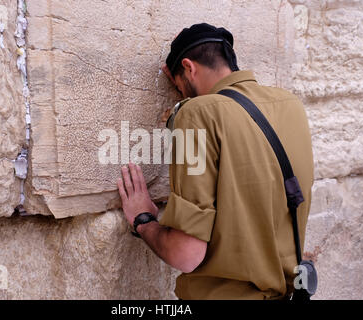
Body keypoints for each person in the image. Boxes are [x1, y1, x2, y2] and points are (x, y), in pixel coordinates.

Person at [117, 23, 314, 300]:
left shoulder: (198, 114)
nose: (182, 94)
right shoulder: (289, 104)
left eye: (179, 85)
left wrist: (144, 219)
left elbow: (186, 254)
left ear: (189, 67)